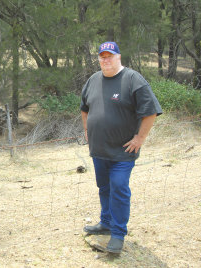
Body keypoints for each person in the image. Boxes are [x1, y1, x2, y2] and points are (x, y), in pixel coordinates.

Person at [80, 41, 162, 254]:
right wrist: (87, 130)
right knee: (104, 188)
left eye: (110, 56)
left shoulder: (133, 80)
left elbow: (150, 111)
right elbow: (84, 108)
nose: (105, 60)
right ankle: (105, 222)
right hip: (99, 150)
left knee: (118, 188)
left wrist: (139, 138)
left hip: (123, 152)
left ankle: (117, 234)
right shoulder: (93, 80)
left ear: (118, 57)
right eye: (102, 57)